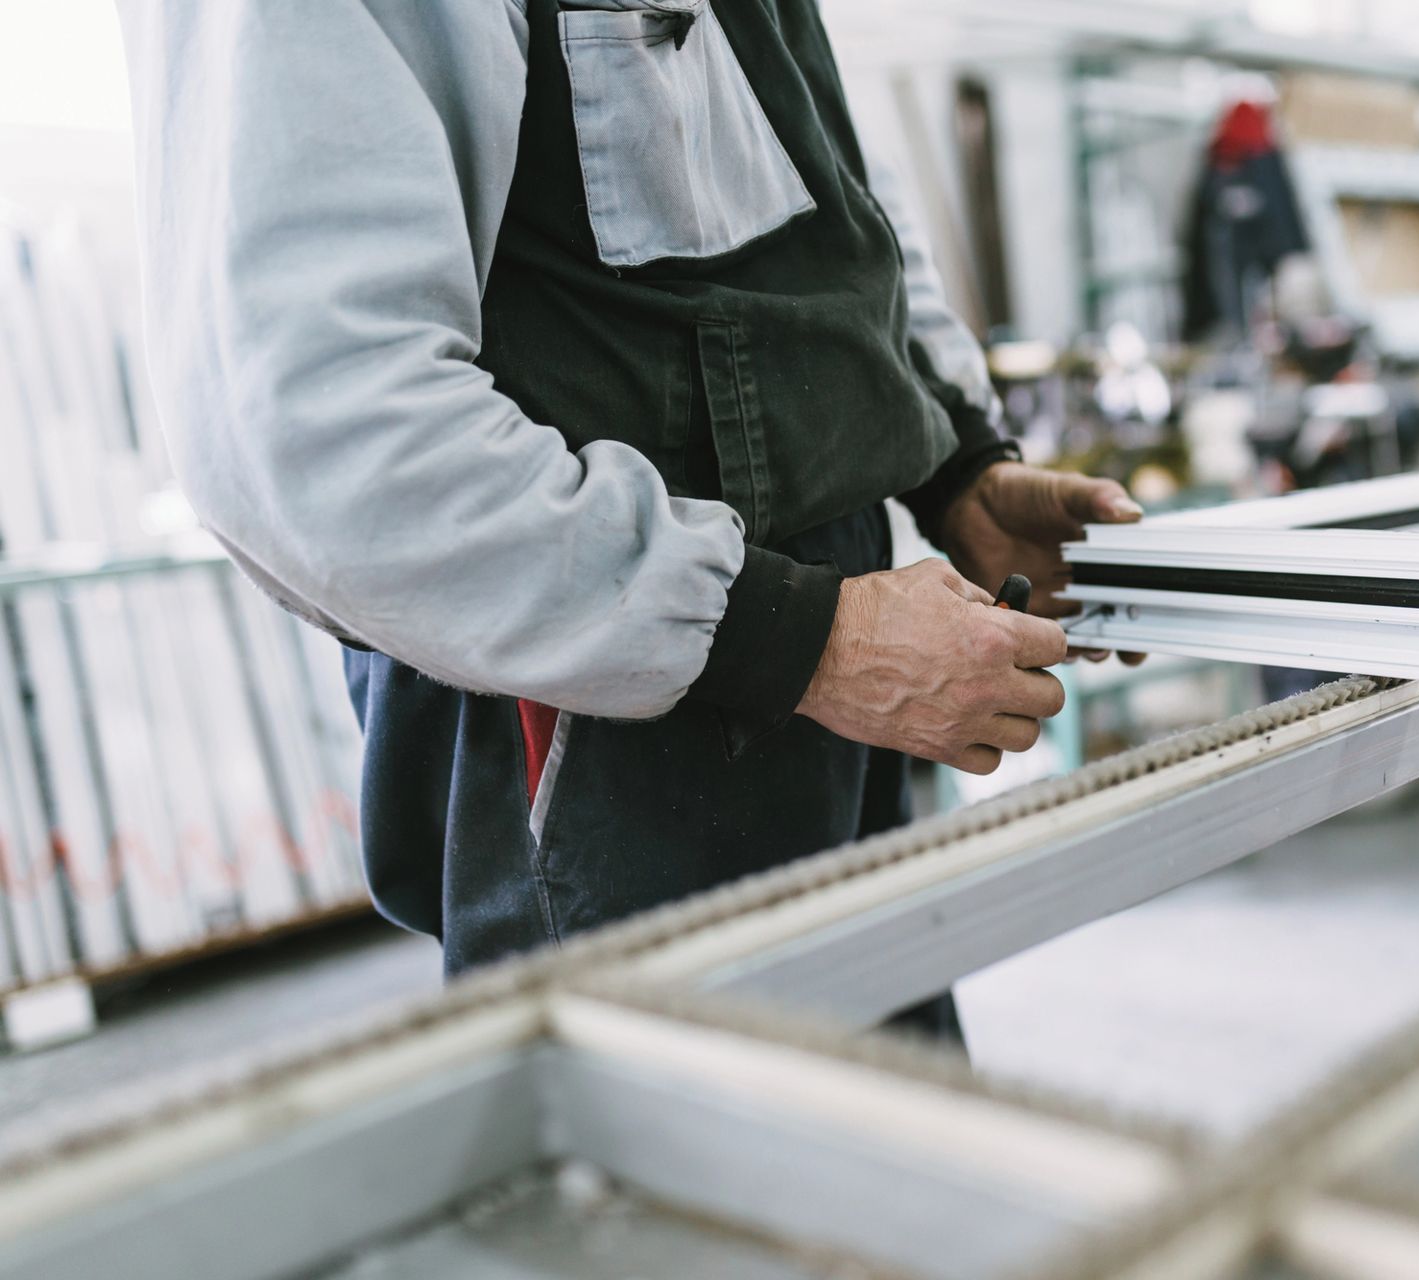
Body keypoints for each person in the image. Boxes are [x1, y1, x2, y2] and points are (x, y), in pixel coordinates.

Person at [113, 1, 1142, 1034]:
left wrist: (954, 466)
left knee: (870, 1133)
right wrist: (805, 638)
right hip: (609, 682)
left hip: (819, 643)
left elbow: (825, 198)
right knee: (685, 1159)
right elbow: (321, 421)